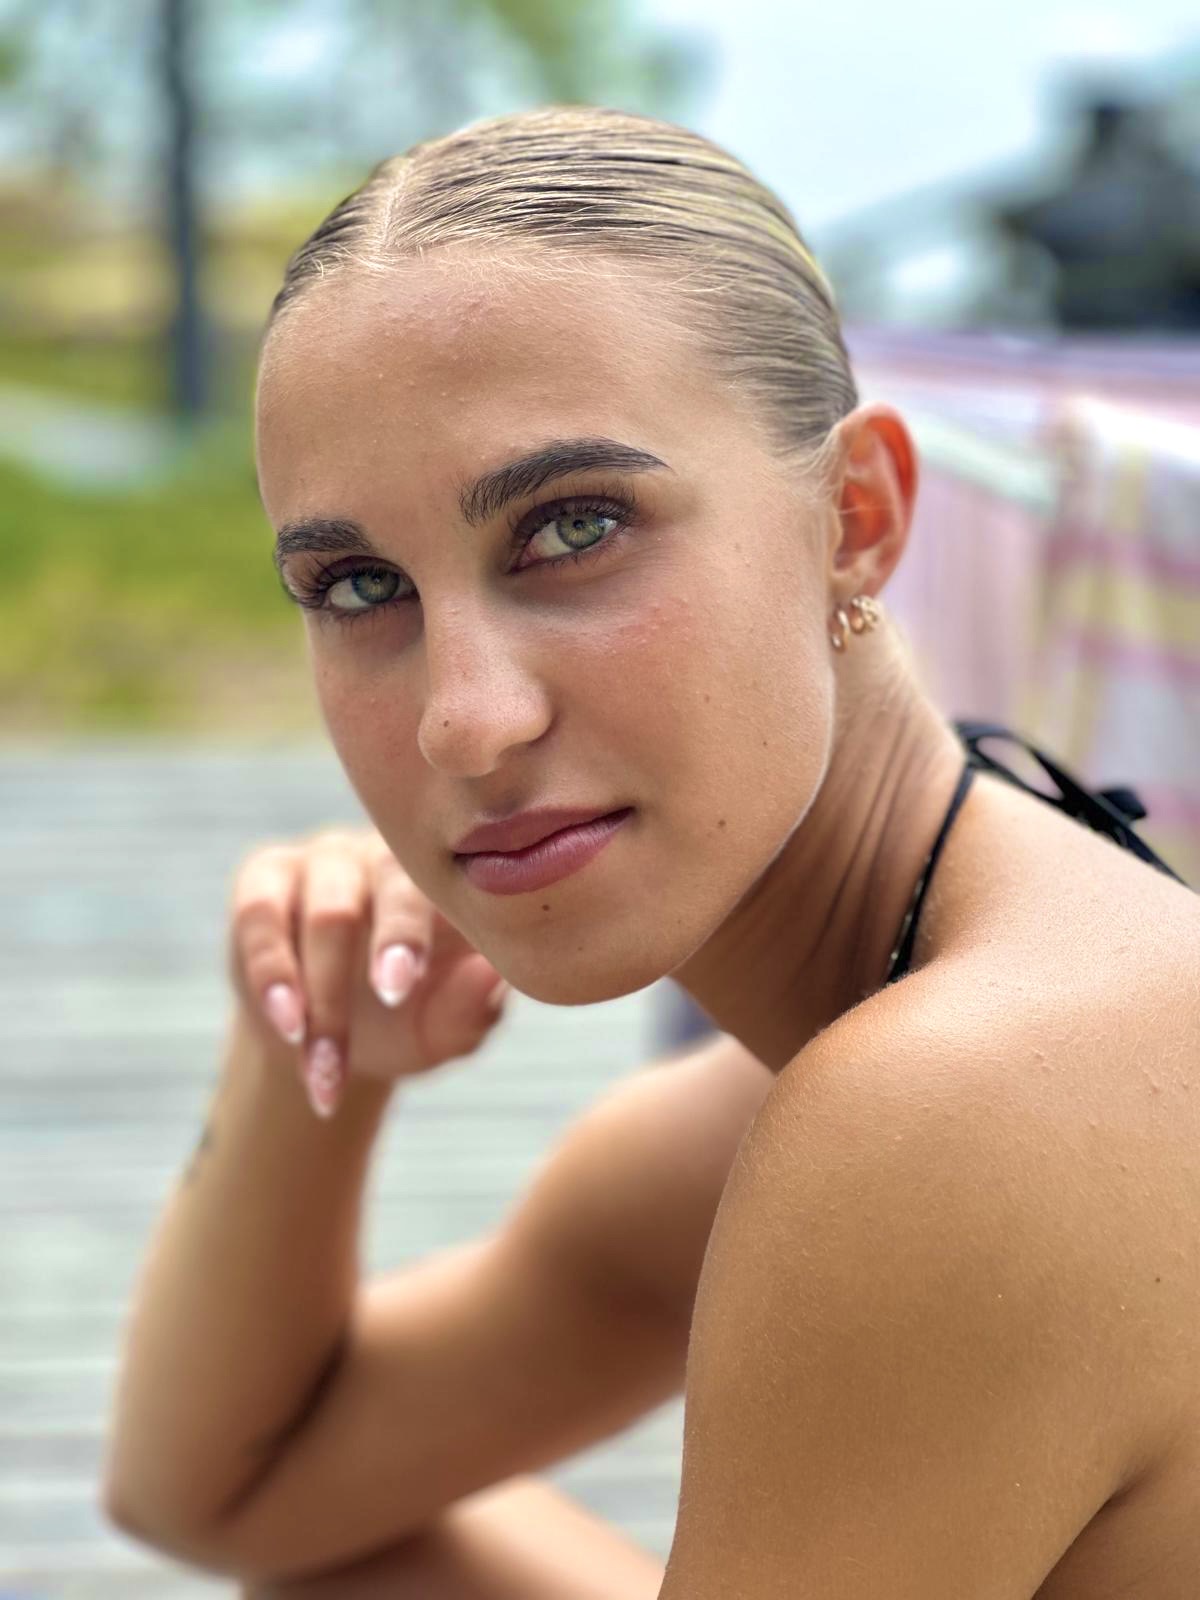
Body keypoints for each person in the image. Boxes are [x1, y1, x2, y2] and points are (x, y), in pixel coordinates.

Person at [101, 105, 1200, 1597]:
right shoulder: (802, 1087)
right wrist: (311, 1043)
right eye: (359, 586)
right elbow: (230, 1493)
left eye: (574, 530)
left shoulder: (956, 1110)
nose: (465, 723)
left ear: (855, 518)